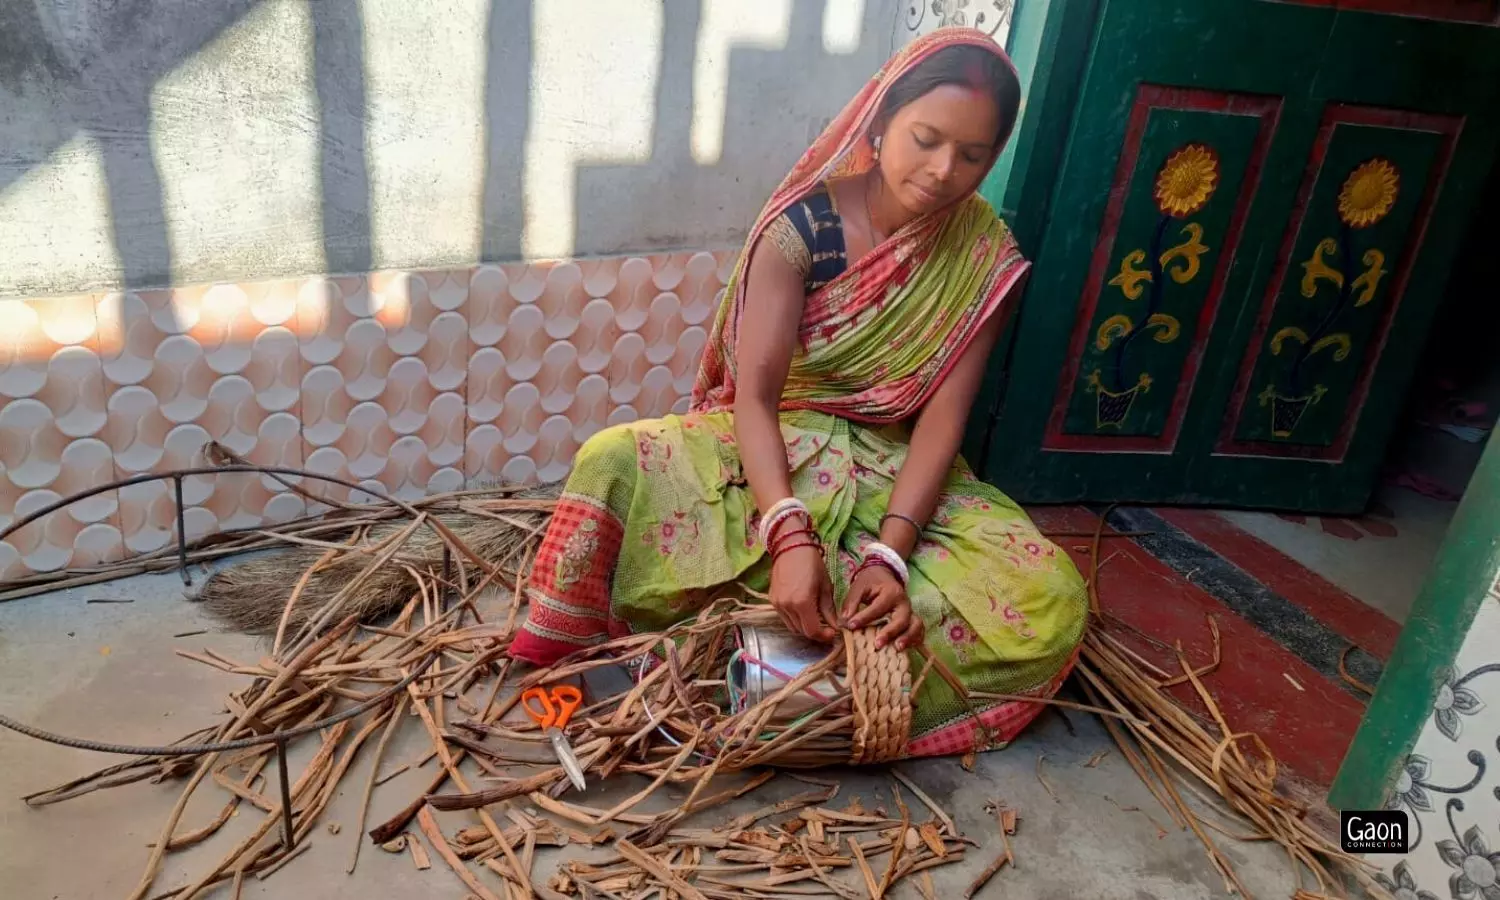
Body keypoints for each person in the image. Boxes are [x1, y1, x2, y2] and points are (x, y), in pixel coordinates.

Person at [508, 27, 1088, 757]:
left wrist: (890, 558)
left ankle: (780, 687)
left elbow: (943, 424)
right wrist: (787, 530)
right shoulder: (801, 229)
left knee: (1049, 597)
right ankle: (774, 663)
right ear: (879, 123)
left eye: (972, 155)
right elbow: (752, 398)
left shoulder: (985, 258)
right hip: (770, 448)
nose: (944, 171)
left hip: (887, 467)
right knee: (611, 461)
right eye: (926, 139)